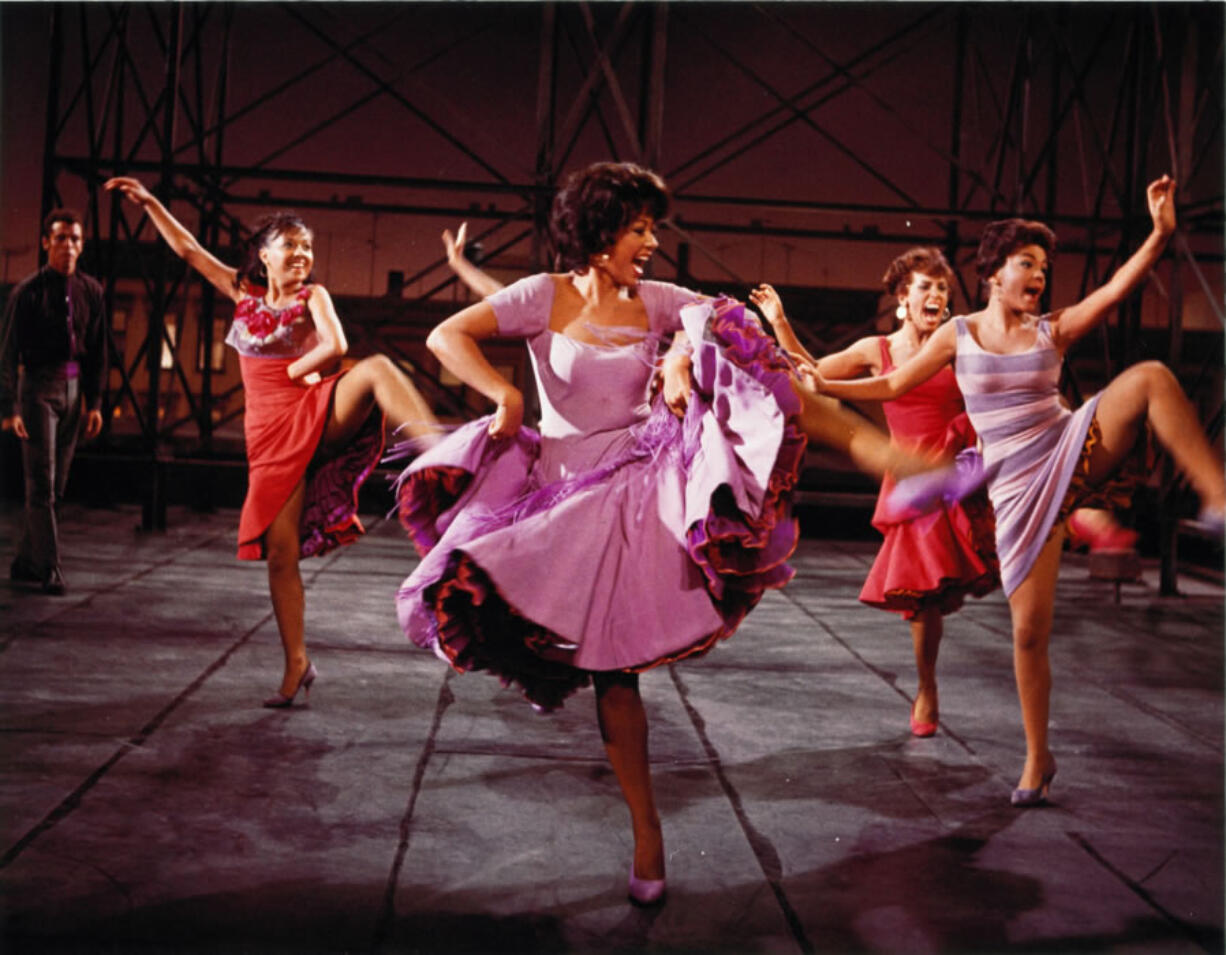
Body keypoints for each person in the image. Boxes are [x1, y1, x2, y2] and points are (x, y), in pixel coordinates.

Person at [396, 161, 948, 905]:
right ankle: (640, 814)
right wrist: (500, 393)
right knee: (590, 665)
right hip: (559, 496)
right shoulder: (541, 296)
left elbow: (719, 321)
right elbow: (444, 335)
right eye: (639, 228)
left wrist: (685, 355)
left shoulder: (653, 297)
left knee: (754, 369)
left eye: (652, 227)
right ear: (598, 237)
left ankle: (889, 457)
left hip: (637, 485)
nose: (652, 241)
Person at [804, 176, 1225, 806]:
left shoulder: (1052, 329)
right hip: (1016, 491)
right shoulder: (960, 335)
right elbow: (891, 388)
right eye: (1026, 263)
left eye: (1045, 267)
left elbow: (1114, 290)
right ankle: (1040, 758)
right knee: (1029, 634)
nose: (1039, 275)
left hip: (1068, 449)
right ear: (993, 274)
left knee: (1152, 378)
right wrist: (820, 380)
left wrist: (1161, 234)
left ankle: (1217, 498)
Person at [104, 176, 439, 707]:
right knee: (281, 557)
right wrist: (149, 204)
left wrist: (300, 371)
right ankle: (296, 663)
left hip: (312, 410)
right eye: (291, 246)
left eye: (308, 246)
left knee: (375, 367)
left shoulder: (315, 297)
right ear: (264, 255)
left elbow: (337, 345)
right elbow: (189, 251)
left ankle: (441, 451)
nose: (302, 254)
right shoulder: (243, 293)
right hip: (267, 437)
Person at [750, 249, 998, 739]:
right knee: (921, 595)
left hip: (960, 468)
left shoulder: (958, 346)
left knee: (988, 567)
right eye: (926, 287)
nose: (937, 295)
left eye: (943, 289)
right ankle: (927, 687)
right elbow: (814, 374)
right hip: (910, 481)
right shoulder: (877, 350)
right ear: (903, 299)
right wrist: (779, 324)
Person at [2, 209, 107, 595]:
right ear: (46, 242)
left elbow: (99, 351)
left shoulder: (92, 292)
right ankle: (50, 567)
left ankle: (27, 561)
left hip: (74, 392)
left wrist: (94, 403)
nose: (68, 245)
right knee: (40, 485)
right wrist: (8, 408)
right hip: (37, 391)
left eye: (75, 238)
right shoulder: (27, 292)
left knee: (57, 486)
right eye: (60, 237)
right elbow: (8, 351)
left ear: (82, 244)